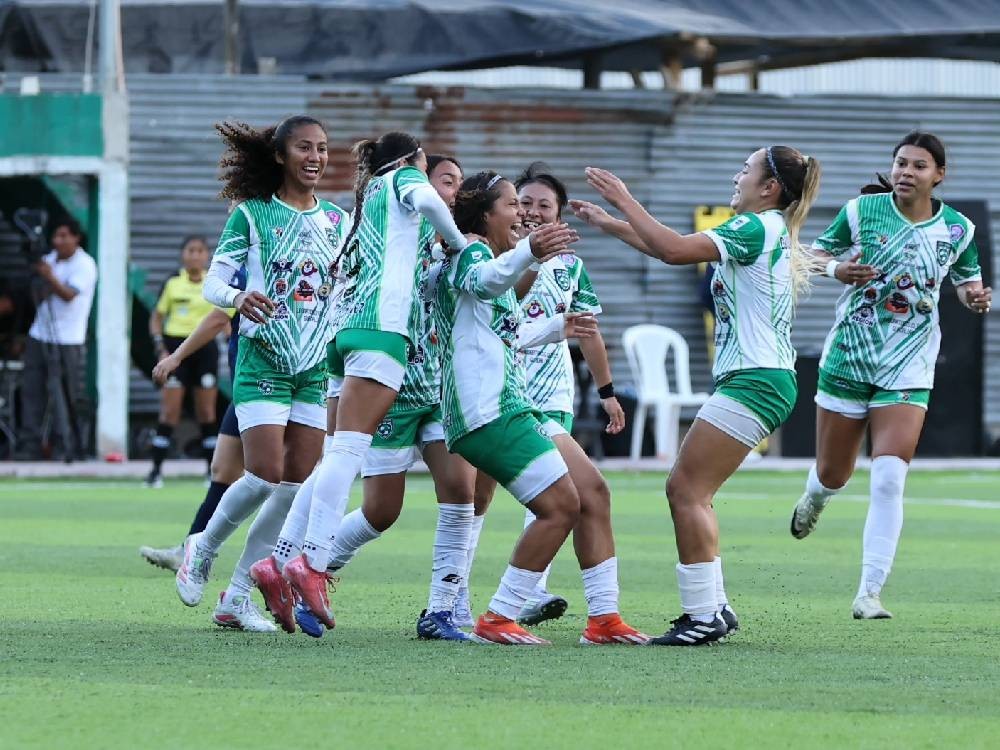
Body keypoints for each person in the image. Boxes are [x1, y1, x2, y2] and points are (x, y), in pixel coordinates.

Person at [573, 145, 821, 644]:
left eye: (746, 170)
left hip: (757, 379)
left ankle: (702, 616)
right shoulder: (760, 229)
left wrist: (624, 198)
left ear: (769, 188)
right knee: (693, 492)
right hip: (758, 379)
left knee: (686, 490)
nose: (737, 176)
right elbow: (672, 247)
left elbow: (673, 250)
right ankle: (714, 608)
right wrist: (613, 225)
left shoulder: (754, 226)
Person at [250, 152, 477, 639]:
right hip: (390, 365)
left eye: (458, 183)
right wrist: (461, 247)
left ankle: (445, 607)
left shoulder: (370, 219)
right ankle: (311, 563)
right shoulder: (406, 201)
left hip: (421, 378)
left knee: (459, 494)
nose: (452, 192)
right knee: (371, 495)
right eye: (446, 180)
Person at [788, 131, 990, 619]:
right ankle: (815, 497)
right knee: (833, 475)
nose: (906, 172)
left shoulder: (958, 229)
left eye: (918, 166)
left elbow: (968, 283)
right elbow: (809, 255)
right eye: (901, 163)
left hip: (910, 363)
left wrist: (975, 298)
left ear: (938, 175)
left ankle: (869, 592)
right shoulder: (860, 213)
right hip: (850, 358)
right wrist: (837, 269)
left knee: (888, 480)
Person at [438, 170, 641, 646]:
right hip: (485, 411)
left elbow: (505, 335)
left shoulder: (520, 261)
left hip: (518, 406)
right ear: (486, 214)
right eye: (514, 203)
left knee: (591, 493)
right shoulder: (470, 253)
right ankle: (493, 613)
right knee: (556, 505)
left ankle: (604, 618)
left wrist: (556, 328)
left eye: (533, 205)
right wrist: (530, 252)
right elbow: (485, 282)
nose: (523, 212)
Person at [173, 115, 351, 633]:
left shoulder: (339, 223)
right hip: (264, 360)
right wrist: (238, 296)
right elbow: (215, 284)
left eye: (322, 148)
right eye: (304, 148)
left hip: (314, 367)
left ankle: (237, 596)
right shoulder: (251, 216)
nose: (315, 157)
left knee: (295, 486)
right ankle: (201, 547)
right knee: (262, 474)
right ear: (280, 155)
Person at [138, 268, 247, 571]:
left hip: (272, 386)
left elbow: (217, 319)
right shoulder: (237, 265)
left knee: (278, 478)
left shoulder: (258, 257)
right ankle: (191, 551)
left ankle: (295, 560)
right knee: (224, 471)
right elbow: (220, 317)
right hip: (248, 388)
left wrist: (176, 356)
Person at [146, 236, 227, 487]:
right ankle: (155, 472)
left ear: (207, 256)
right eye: (190, 250)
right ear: (183, 255)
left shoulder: (214, 284)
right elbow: (156, 318)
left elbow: (223, 319)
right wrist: (160, 348)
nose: (195, 255)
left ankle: (211, 472)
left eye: (200, 251)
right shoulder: (173, 283)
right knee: (170, 411)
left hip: (205, 351)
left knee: (206, 412)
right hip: (174, 349)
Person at [16, 217, 97, 461]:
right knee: (32, 391)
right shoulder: (49, 260)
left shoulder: (85, 264)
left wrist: (50, 277)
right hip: (39, 334)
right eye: (55, 237)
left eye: (64, 236)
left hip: (68, 339)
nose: (58, 241)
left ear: (76, 237)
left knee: (64, 393)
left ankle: (68, 445)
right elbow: (36, 296)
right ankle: (29, 445)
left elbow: (69, 295)